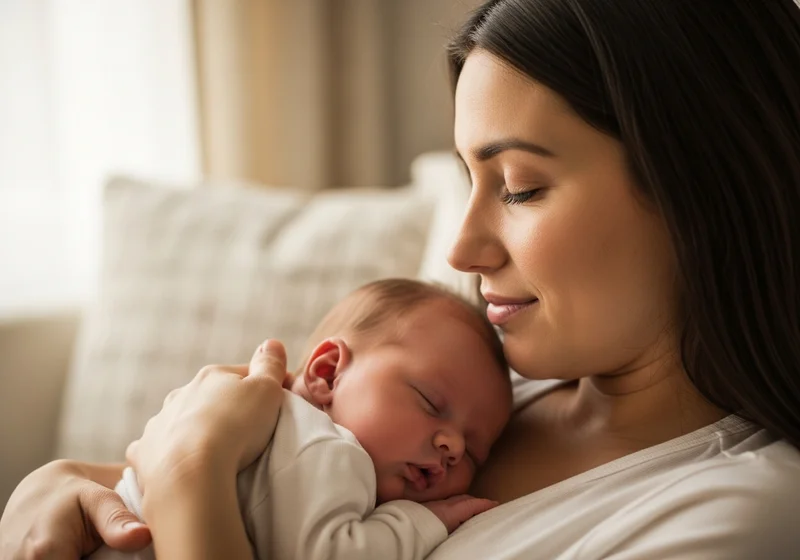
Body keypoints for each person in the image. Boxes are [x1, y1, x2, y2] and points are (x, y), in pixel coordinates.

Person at [3, 0, 800, 558]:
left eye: (519, 185)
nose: (461, 248)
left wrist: (187, 476)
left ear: (700, 186)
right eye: (469, 182)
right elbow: (246, 489)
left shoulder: (740, 516)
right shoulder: (486, 388)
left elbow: (197, 468)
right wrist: (66, 481)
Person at [88, 279, 511, 560]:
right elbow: (328, 555)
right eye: (429, 401)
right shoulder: (326, 446)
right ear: (327, 373)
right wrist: (426, 521)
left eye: (473, 451)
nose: (453, 447)